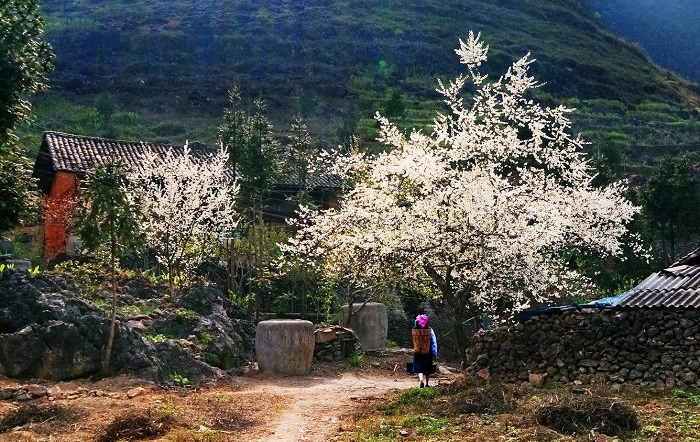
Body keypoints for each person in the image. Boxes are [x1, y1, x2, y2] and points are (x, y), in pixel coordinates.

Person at [411, 314, 437, 388]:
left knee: (419, 367)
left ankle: (421, 380)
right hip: (428, 352)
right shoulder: (429, 330)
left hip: (418, 351)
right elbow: (433, 341)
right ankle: (427, 383)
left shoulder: (414, 330)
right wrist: (434, 352)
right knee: (427, 368)